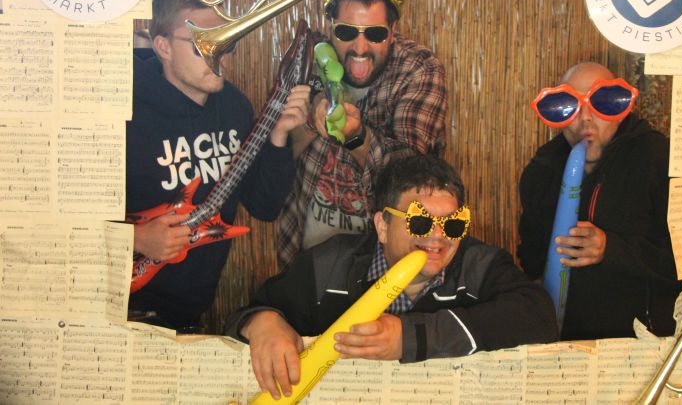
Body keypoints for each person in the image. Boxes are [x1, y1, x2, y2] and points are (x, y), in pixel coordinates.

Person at [227, 154, 557, 399]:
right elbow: (251, 311)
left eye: (454, 223)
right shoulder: (330, 264)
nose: (438, 236)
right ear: (382, 226)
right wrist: (263, 323)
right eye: (421, 222)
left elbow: (539, 316)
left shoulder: (480, 265)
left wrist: (409, 337)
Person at [126, 0, 310, 331]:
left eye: (225, 42)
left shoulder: (234, 107)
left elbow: (263, 206)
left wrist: (279, 135)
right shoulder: (126, 111)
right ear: (163, 46)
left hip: (189, 312)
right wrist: (136, 238)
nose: (219, 56)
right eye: (203, 44)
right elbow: (67, 220)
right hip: (120, 307)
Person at [276, 0, 447, 267]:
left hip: (381, 263)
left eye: (375, 34)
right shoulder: (306, 60)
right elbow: (278, 162)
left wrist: (357, 137)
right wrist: (311, 120)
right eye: (345, 32)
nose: (359, 47)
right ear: (331, 27)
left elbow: (410, 178)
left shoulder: (418, 69)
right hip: (306, 258)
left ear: (392, 32)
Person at [518, 62, 682, 341]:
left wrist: (611, 248)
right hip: (565, 342)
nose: (586, 118)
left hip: (643, 342)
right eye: (570, 106)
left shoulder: (658, 159)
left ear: (622, 110)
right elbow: (531, 256)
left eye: (603, 103)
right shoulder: (541, 169)